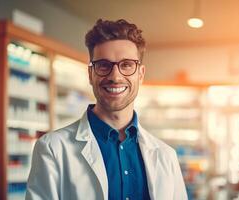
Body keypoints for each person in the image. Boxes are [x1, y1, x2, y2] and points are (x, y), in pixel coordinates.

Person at [25, 19, 188, 200]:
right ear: (90, 74)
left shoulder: (166, 156)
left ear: (140, 75)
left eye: (126, 65)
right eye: (104, 65)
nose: (115, 76)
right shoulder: (53, 149)